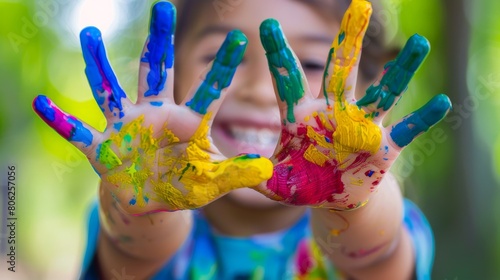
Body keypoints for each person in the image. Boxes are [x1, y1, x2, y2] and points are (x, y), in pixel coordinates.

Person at [32, 0, 452, 279]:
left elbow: (374, 251)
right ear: (169, 79)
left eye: (307, 62)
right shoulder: (151, 230)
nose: (258, 88)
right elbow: (140, 249)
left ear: (373, 95)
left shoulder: (381, 228)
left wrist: (349, 195)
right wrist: (149, 195)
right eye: (222, 56)